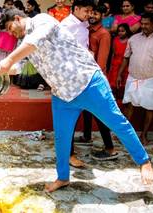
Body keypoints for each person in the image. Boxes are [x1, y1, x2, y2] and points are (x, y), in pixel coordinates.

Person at [0, 8, 153, 192]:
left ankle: (143, 160)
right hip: (62, 94)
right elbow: (18, 67)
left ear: (18, 18)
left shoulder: (42, 20)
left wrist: (8, 60)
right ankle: (63, 177)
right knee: (62, 137)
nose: (11, 33)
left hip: (88, 82)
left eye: (11, 28)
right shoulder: (22, 42)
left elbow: (34, 42)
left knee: (117, 122)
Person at [60, 0, 93, 167]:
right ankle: (69, 154)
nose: (89, 14)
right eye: (86, 10)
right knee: (69, 117)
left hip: (83, 75)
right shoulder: (67, 25)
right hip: (70, 77)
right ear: (76, 9)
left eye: (90, 11)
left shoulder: (83, 24)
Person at [117, 13, 153, 146]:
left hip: (151, 79)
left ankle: (143, 135)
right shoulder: (133, 39)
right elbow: (126, 57)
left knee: (149, 108)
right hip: (133, 77)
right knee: (129, 106)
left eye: (147, 24)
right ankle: (125, 134)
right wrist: (119, 74)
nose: (144, 26)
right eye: (142, 24)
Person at [87, 4, 118, 161]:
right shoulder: (87, 29)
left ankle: (110, 149)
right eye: (90, 12)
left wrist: (93, 79)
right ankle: (86, 137)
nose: (92, 15)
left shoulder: (104, 34)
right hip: (85, 77)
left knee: (100, 114)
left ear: (102, 16)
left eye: (96, 13)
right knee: (85, 109)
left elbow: (102, 62)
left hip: (95, 78)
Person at [108, 23, 132, 99]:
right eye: (119, 31)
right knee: (113, 86)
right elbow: (113, 54)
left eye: (123, 31)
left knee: (122, 87)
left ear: (127, 31)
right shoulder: (115, 40)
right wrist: (111, 66)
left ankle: (122, 105)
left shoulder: (130, 41)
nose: (120, 33)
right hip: (115, 66)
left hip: (125, 66)